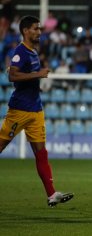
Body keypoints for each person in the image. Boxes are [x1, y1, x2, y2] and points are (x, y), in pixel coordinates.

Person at [0, 16, 74, 207]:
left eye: (40, 29)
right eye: (35, 29)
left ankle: (51, 194)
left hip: (35, 110)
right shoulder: (21, 51)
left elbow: (23, 78)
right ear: (25, 31)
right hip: (19, 110)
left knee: (41, 153)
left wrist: (35, 84)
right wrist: (38, 75)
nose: (39, 32)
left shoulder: (33, 52)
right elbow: (12, 75)